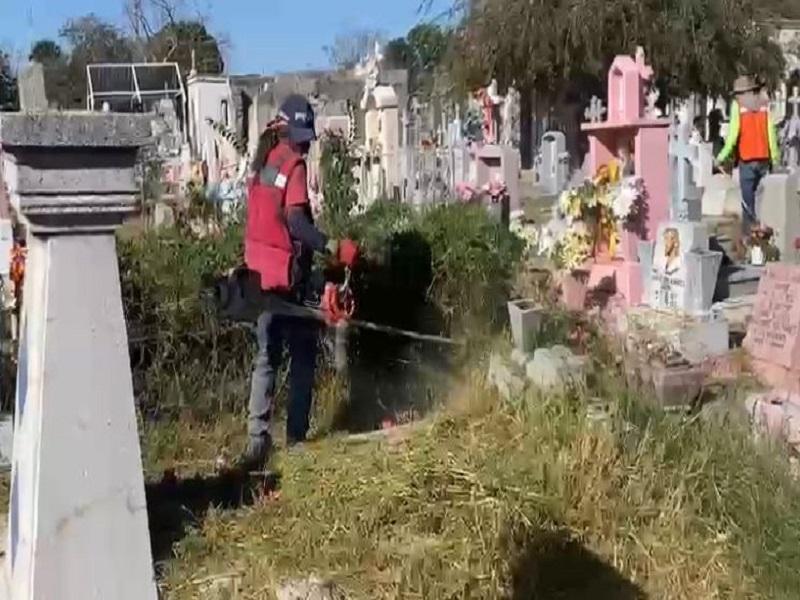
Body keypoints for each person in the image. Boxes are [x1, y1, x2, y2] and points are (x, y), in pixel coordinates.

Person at [240, 94, 359, 470]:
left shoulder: (264, 162)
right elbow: (295, 222)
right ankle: (294, 442)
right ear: (292, 131)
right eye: (304, 135)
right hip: (289, 279)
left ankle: (257, 442)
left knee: (266, 357)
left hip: (259, 275)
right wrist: (332, 246)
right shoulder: (293, 165)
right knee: (304, 356)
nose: (307, 142)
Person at [715, 76, 781, 237]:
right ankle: (765, 236)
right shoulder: (764, 105)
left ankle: (750, 240)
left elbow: (732, 136)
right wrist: (775, 158)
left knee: (748, 204)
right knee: (762, 201)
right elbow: (771, 134)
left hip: (747, 160)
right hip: (764, 160)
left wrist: (721, 157)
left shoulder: (738, 106)